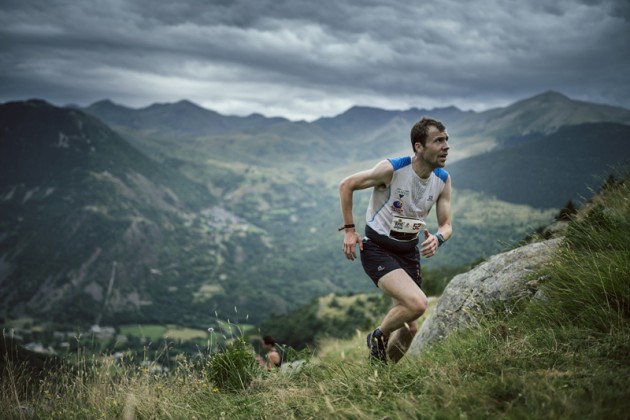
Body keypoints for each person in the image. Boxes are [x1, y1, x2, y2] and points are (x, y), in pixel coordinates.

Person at [338, 117, 452, 364]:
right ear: (418, 147)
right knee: (418, 303)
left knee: (410, 330)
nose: (446, 146)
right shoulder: (392, 170)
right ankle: (378, 335)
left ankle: (379, 375)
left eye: (447, 140)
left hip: (408, 253)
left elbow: (447, 225)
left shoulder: (442, 180)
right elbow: (347, 185)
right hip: (378, 248)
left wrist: (439, 238)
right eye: (438, 141)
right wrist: (349, 230)